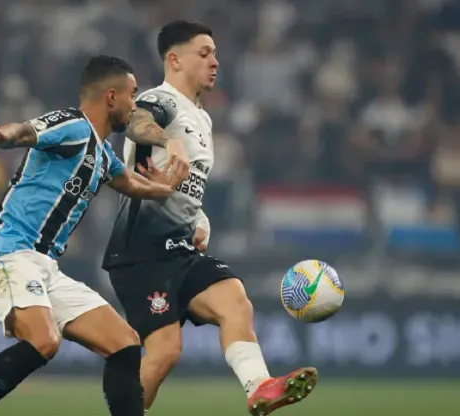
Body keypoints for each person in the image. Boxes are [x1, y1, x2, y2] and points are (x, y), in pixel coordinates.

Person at [0, 55, 185, 416]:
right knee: (44, 341)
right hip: (8, 252)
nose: (134, 105)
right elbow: (28, 132)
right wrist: (6, 136)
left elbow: (130, 183)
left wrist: (165, 189)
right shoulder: (73, 125)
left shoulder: (102, 152)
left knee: (124, 343)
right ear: (110, 96)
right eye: (132, 95)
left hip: (45, 268)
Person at [102, 21, 318, 416]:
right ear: (175, 59)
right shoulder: (161, 99)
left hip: (181, 248)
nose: (215, 62)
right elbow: (135, 122)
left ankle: (260, 387)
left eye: (215, 53)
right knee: (165, 350)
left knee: (235, 299)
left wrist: (199, 218)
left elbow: (185, 185)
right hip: (142, 250)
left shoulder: (202, 119)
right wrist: (168, 139)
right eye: (204, 53)